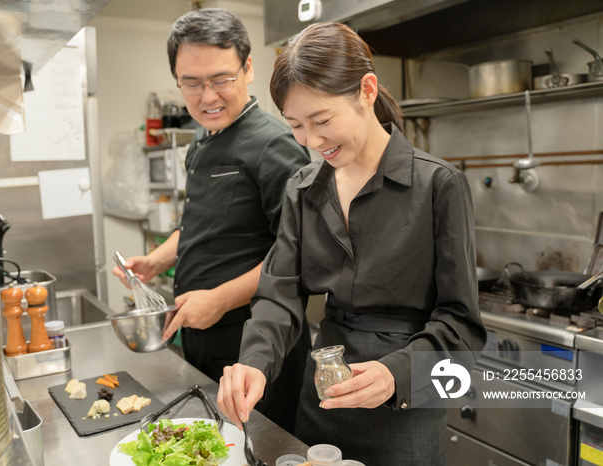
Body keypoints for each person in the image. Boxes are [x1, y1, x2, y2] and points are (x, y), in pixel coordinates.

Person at [216, 22, 487, 465]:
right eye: (296, 126)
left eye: (322, 120)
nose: (312, 141)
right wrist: (253, 362)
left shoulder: (439, 185)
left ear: (366, 90)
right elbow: (279, 295)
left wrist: (394, 373)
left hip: (405, 407)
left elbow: (463, 327)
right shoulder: (302, 189)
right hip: (323, 394)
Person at [113, 8, 311, 434]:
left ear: (249, 68)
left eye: (221, 79)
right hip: (201, 338)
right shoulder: (201, 142)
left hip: (255, 349)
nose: (208, 97)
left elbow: (295, 257)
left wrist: (219, 299)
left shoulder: (276, 146)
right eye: (192, 83)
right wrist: (156, 260)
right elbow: (202, 223)